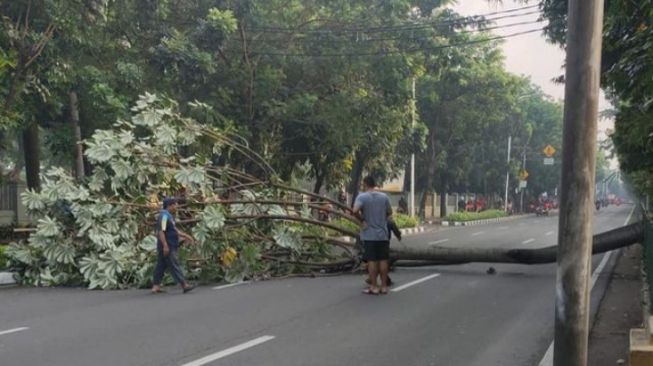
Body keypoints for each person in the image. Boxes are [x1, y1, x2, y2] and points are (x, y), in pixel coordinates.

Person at [354, 175, 392, 295]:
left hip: (369, 235)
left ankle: (374, 287)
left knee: (372, 260)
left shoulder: (362, 197)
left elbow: (354, 211)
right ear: (374, 184)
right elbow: (389, 212)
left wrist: (363, 220)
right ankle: (384, 286)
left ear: (365, 184)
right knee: (383, 260)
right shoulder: (384, 196)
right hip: (383, 234)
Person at [151, 197, 196, 294]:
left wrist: (186, 236)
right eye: (175, 205)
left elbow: (174, 230)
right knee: (174, 264)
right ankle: (184, 284)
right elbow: (161, 232)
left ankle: (155, 286)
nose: (176, 207)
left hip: (170, 243)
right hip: (168, 245)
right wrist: (165, 246)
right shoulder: (164, 216)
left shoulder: (168, 216)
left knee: (161, 265)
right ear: (170, 205)